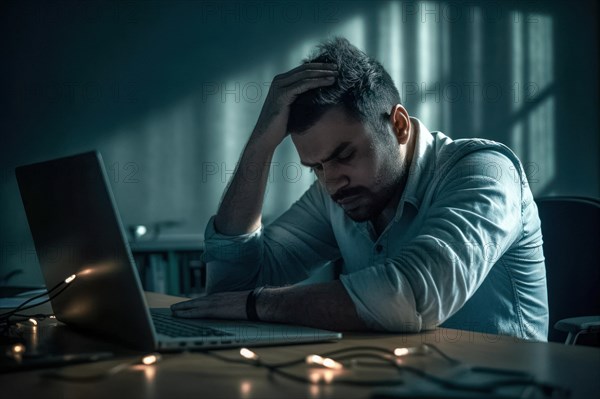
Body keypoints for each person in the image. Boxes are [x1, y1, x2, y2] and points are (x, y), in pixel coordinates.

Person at [171, 37, 549, 341]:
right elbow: (231, 287)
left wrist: (259, 304)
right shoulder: (338, 192)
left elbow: (408, 296)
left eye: (344, 154)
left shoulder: (486, 172)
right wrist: (261, 143)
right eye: (316, 167)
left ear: (398, 125)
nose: (331, 181)